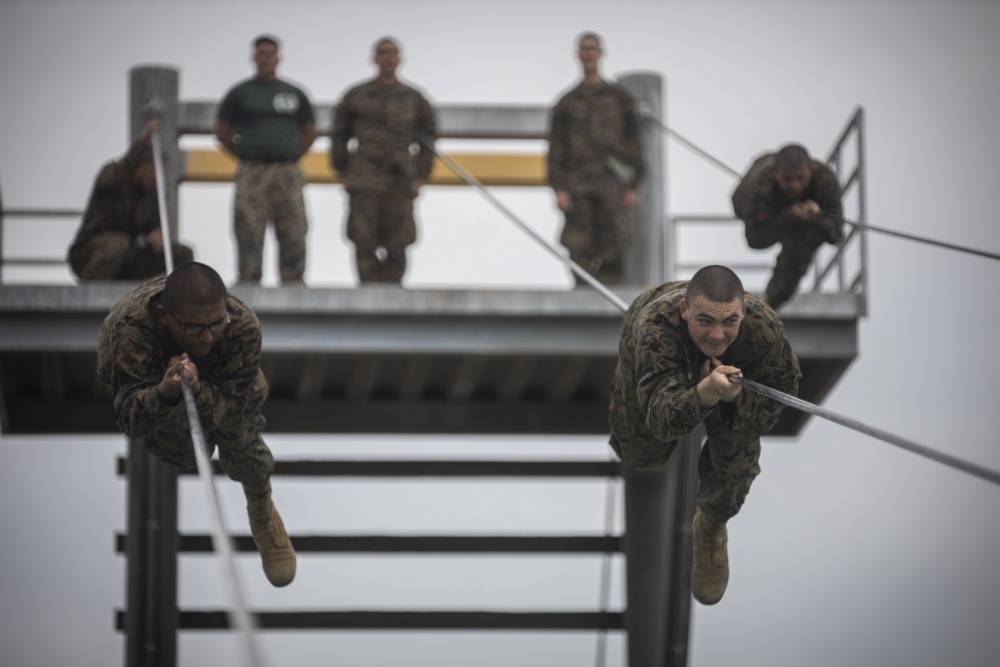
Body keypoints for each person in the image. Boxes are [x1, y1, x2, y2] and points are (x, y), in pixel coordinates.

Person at [608, 265, 801, 605]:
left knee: (740, 447)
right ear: (685, 310)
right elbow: (661, 420)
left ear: (743, 311)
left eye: (729, 321)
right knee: (641, 454)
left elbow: (778, 401)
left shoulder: (764, 330)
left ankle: (711, 526)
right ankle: (695, 377)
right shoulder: (655, 326)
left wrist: (734, 399)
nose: (716, 334)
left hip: (732, 378)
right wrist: (704, 392)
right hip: (655, 345)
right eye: (706, 320)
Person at [97, 262, 296, 587]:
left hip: (214, 379)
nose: (206, 336)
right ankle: (180, 411)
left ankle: (261, 505)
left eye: (216, 324)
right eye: (194, 329)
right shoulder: (130, 332)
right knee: (187, 451)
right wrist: (165, 393)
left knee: (241, 423)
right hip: (150, 381)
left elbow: (233, 406)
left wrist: (201, 390)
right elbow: (131, 421)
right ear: (164, 315)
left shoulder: (241, 324)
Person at [331, 37, 436, 284]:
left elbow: (429, 138)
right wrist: (343, 170)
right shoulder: (356, 95)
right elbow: (339, 133)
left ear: (399, 59)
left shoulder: (414, 98)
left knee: (399, 239)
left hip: (400, 179)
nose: (388, 58)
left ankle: (392, 289)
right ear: (374, 59)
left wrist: (421, 176)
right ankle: (368, 289)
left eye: (392, 53)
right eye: (383, 53)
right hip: (364, 176)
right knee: (363, 236)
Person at [215, 35, 316, 285]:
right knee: (248, 225)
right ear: (254, 57)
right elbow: (222, 131)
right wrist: (246, 153)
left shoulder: (294, 93)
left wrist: (290, 153)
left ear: (278, 58)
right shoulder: (240, 93)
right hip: (252, 169)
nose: (266, 58)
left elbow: (309, 131)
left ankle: (294, 281)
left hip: (287, 170)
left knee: (294, 226)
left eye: (270, 54)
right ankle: (248, 279)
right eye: (261, 54)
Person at [547, 32, 645, 285]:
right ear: (578, 55)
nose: (588, 54)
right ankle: (582, 296)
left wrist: (633, 185)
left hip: (612, 184)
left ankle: (609, 296)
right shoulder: (566, 103)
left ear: (601, 53)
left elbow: (635, 144)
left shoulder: (620, 99)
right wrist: (559, 188)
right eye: (584, 49)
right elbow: (556, 149)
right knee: (578, 245)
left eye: (592, 49)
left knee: (614, 244)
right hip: (577, 186)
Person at [68, 119, 194, 280]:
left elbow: (153, 224)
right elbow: (122, 168)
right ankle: (91, 290)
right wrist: (142, 142)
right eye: (153, 171)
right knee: (118, 244)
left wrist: (157, 234)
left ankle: (174, 294)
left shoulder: (151, 196)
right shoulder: (112, 177)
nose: (156, 177)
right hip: (91, 252)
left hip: (127, 257)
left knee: (183, 253)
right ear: (139, 166)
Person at [731, 143, 844, 309]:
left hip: (806, 220)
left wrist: (818, 217)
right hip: (767, 207)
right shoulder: (760, 184)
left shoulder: (824, 179)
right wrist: (786, 217)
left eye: (801, 178)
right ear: (775, 172)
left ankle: (772, 302)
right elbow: (754, 240)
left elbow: (836, 235)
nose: (795, 185)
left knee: (801, 244)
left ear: (810, 170)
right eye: (788, 179)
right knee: (740, 206)